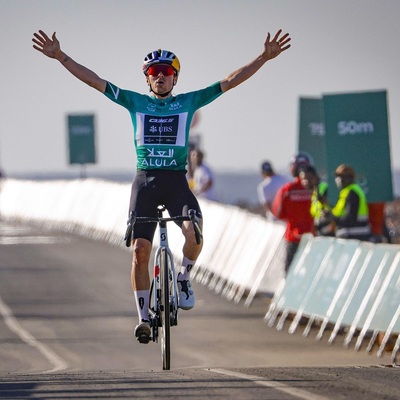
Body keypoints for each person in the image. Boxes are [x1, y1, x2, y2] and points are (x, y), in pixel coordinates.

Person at [32, 29, 291, 342]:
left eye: (167, 72)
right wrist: (60, 56)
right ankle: (143, 318)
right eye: (154, 72)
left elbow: (230, 81)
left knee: (193, 232)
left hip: (175, 181)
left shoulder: (188, 102)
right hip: (144, 181)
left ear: (175, 78)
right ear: (147, 78)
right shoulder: (134, 102)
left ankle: (183, 277)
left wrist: (263, 57)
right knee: (140, 251)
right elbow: (93, 80)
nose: (160, 77)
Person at [271, 154, 314, 274]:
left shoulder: (287, 190)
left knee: (290, 272)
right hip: (314, 236)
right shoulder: (317, 189)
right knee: (312, 271)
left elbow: (278, 213)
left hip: (293, 236)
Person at [324, 164, 371, 241]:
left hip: (355, 236)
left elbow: (350, 219)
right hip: (350, 236)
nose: (339, 180)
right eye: (338, 177)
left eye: (343, 177)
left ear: (351, 178)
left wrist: (332, 217)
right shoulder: (346, 192)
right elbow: (341, 213)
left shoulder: (352, 193)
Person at [299, 165, 334, 236]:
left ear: (316, 176)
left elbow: (330, 206)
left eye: (309, 178)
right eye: (303, 179)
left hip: (329, 233)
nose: (306, 181)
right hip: (321, 232)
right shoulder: (315, 192)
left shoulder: (323, 188)